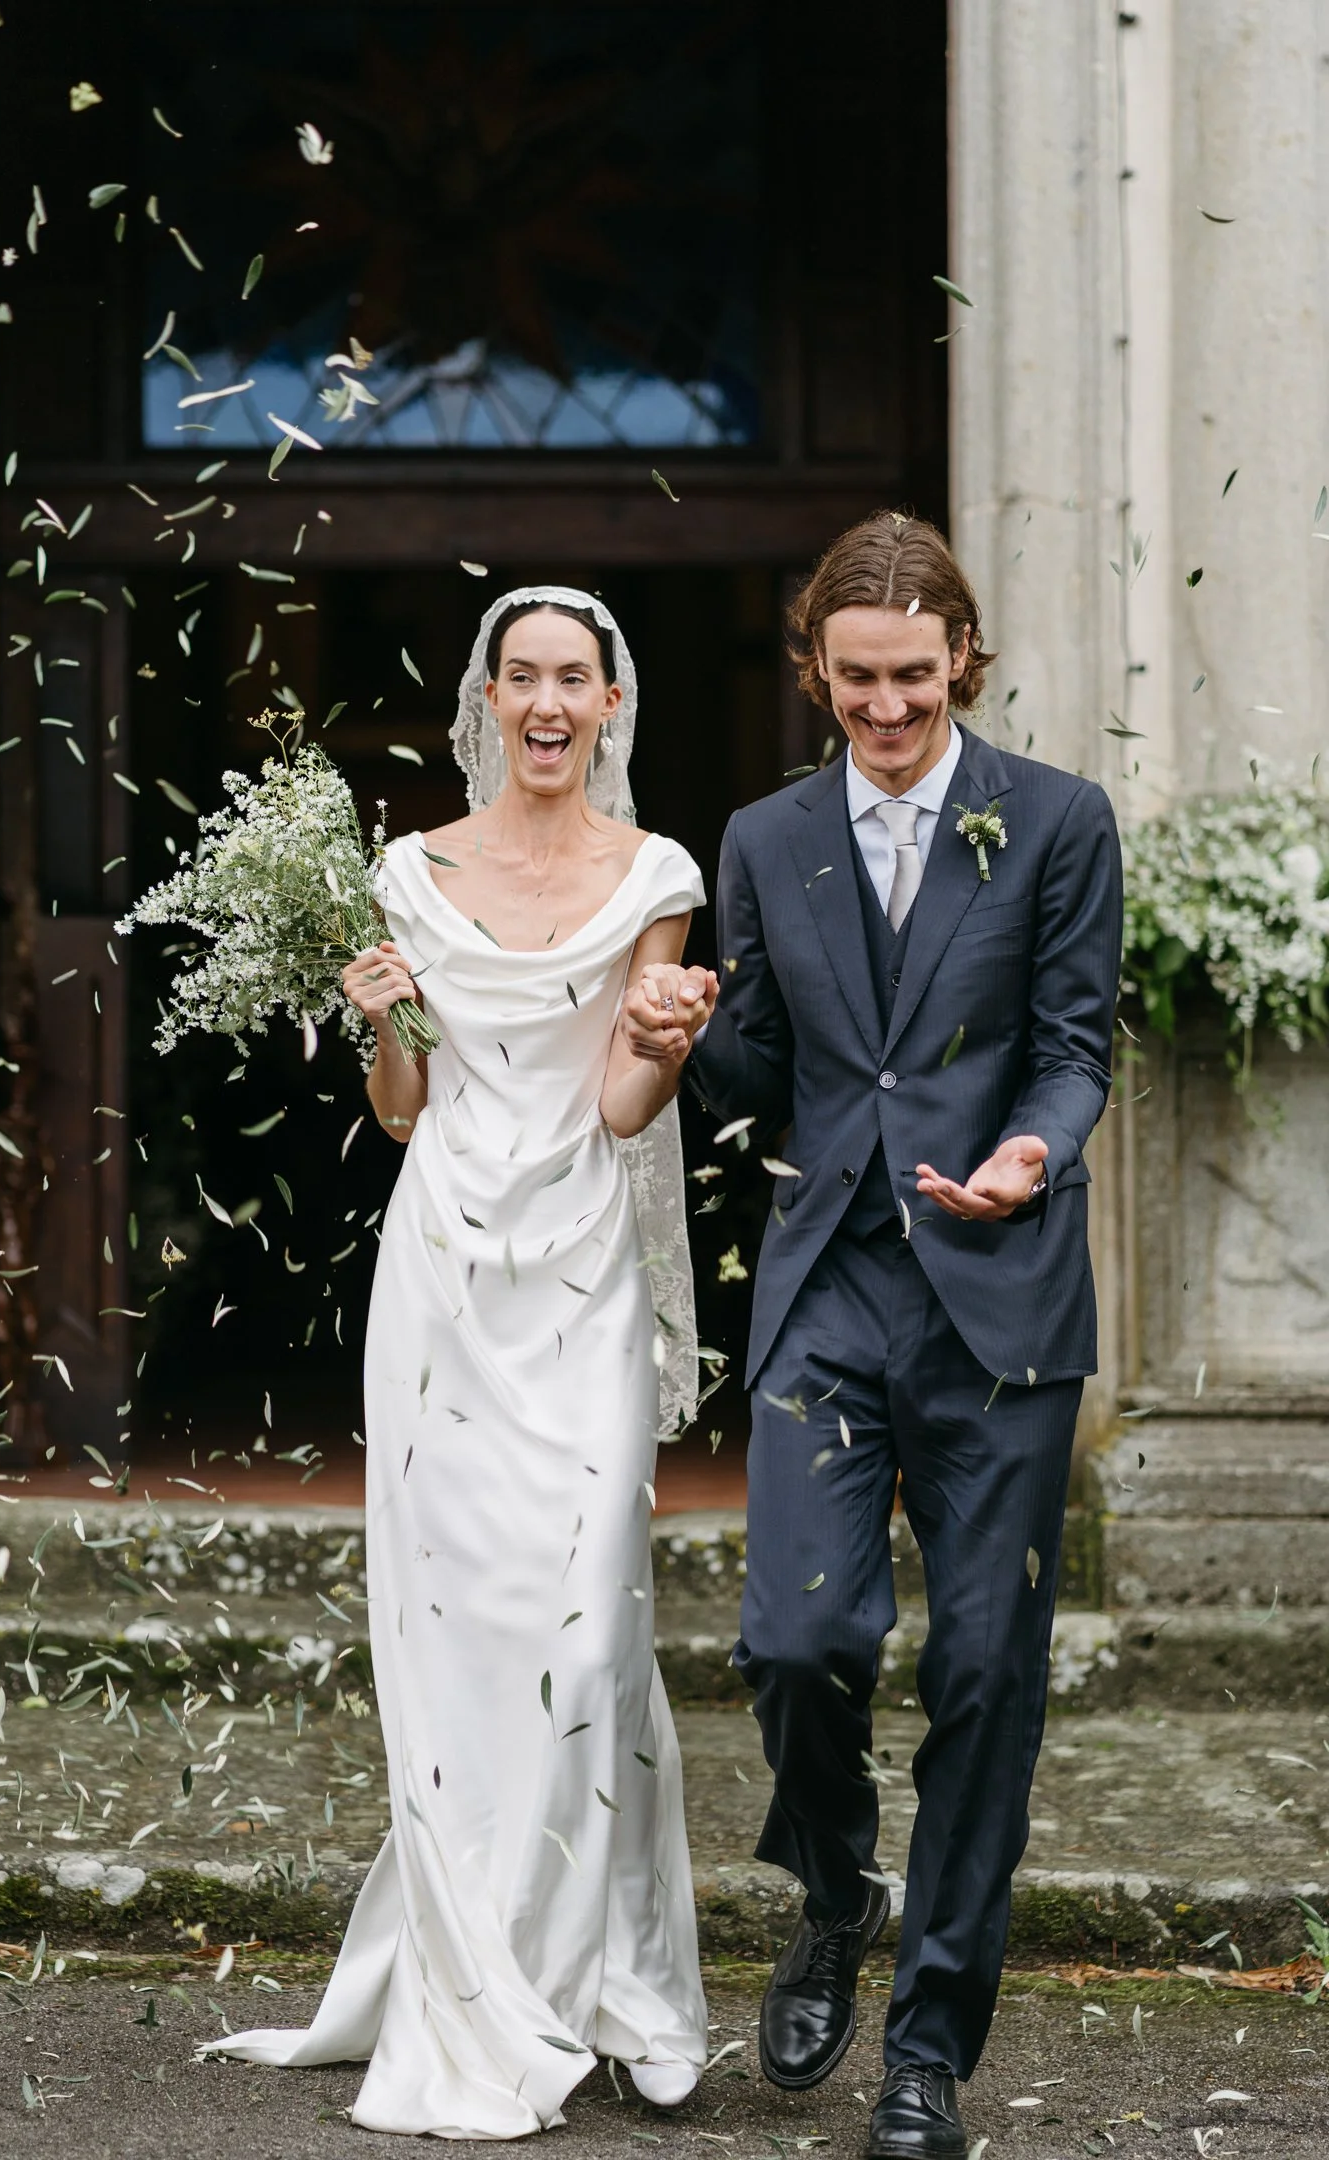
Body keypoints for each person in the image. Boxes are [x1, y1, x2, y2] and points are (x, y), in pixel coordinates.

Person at [622, 514, 1123, 2160]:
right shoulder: (765, 841)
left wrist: (1032, 1151)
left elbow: (1070, 1042)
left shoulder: (1057, 821)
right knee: (793, 1640)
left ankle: (928, 2055)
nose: (888, 711)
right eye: (858, 683)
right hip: (831, 1282)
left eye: (915, 680)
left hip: (1001, 1304)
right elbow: (770, 1072)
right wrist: (695, 1031)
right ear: (815, 672)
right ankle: (837, 1886)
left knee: (988, 1676)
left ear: (960, 662)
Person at [211, 588, 714, 2137]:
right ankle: (474, 1972)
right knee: (453, 1631)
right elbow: (408, 1112)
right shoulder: (403, 871)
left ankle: (598, 1982)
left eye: (578, 678)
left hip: (579, 1278)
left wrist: (667, 1033)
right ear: (487, 700)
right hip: (443, 1276)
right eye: (525, 678)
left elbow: (625, 1113)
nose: (550, 703)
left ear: (611, 703)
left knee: (586, 1617)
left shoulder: (660, 875)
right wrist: (384, 1021)